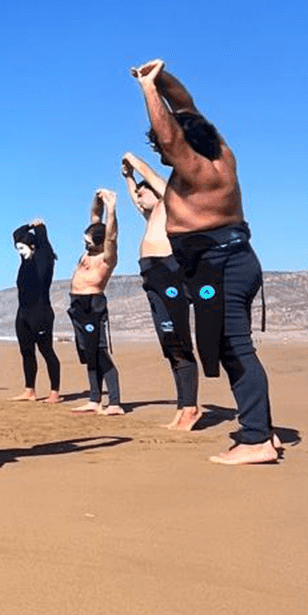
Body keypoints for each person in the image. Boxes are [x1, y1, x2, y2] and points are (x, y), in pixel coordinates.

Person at [132, 59, 277, 463]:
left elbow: (170, 131)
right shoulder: (221, 151)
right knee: (232, 347)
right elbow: (186, 105)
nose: (161, 153)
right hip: (230, 261)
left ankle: (256, 440)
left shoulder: (196, 168)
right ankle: (263, 431)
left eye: (162, 149)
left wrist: (146, 91)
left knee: (234, 347)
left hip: (220, 265)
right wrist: (160, 79)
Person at [122, 151, 200, 430]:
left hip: (168, 273)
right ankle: (183, 407)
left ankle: (190, 408)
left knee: (178, 340)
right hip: (152, 276)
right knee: (169, 343)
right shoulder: (152, 214)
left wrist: (136, 162)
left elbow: (156, 180)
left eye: (145, 191)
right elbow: (135, 199)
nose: (140, 194)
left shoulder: (170, 203)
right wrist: (129, 178)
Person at [67, 188, 123, 415]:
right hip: (77, 304)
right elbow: (94, 217)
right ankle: (94, 399)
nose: (85, 245)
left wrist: (112, 208)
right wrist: (97, 199)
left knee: (99, 351)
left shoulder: (106, 257)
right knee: (87, 352)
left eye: (88, 242)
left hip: (93, 304)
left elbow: (110, 235)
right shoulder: (88, 252)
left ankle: (116, 402)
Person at [9, 220, 62, 403]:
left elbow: (43, 242)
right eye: (18, 249)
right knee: (26, 352)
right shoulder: (25, 261)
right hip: (23, 313)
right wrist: (28, 225)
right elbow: (16, 233)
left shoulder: (43, 259)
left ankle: (54, 392)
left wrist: (39, 227)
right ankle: (29, 391)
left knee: (46, 351)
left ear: (33, 246)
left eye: (22, 248)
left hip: (41, 313)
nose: (19, 252)